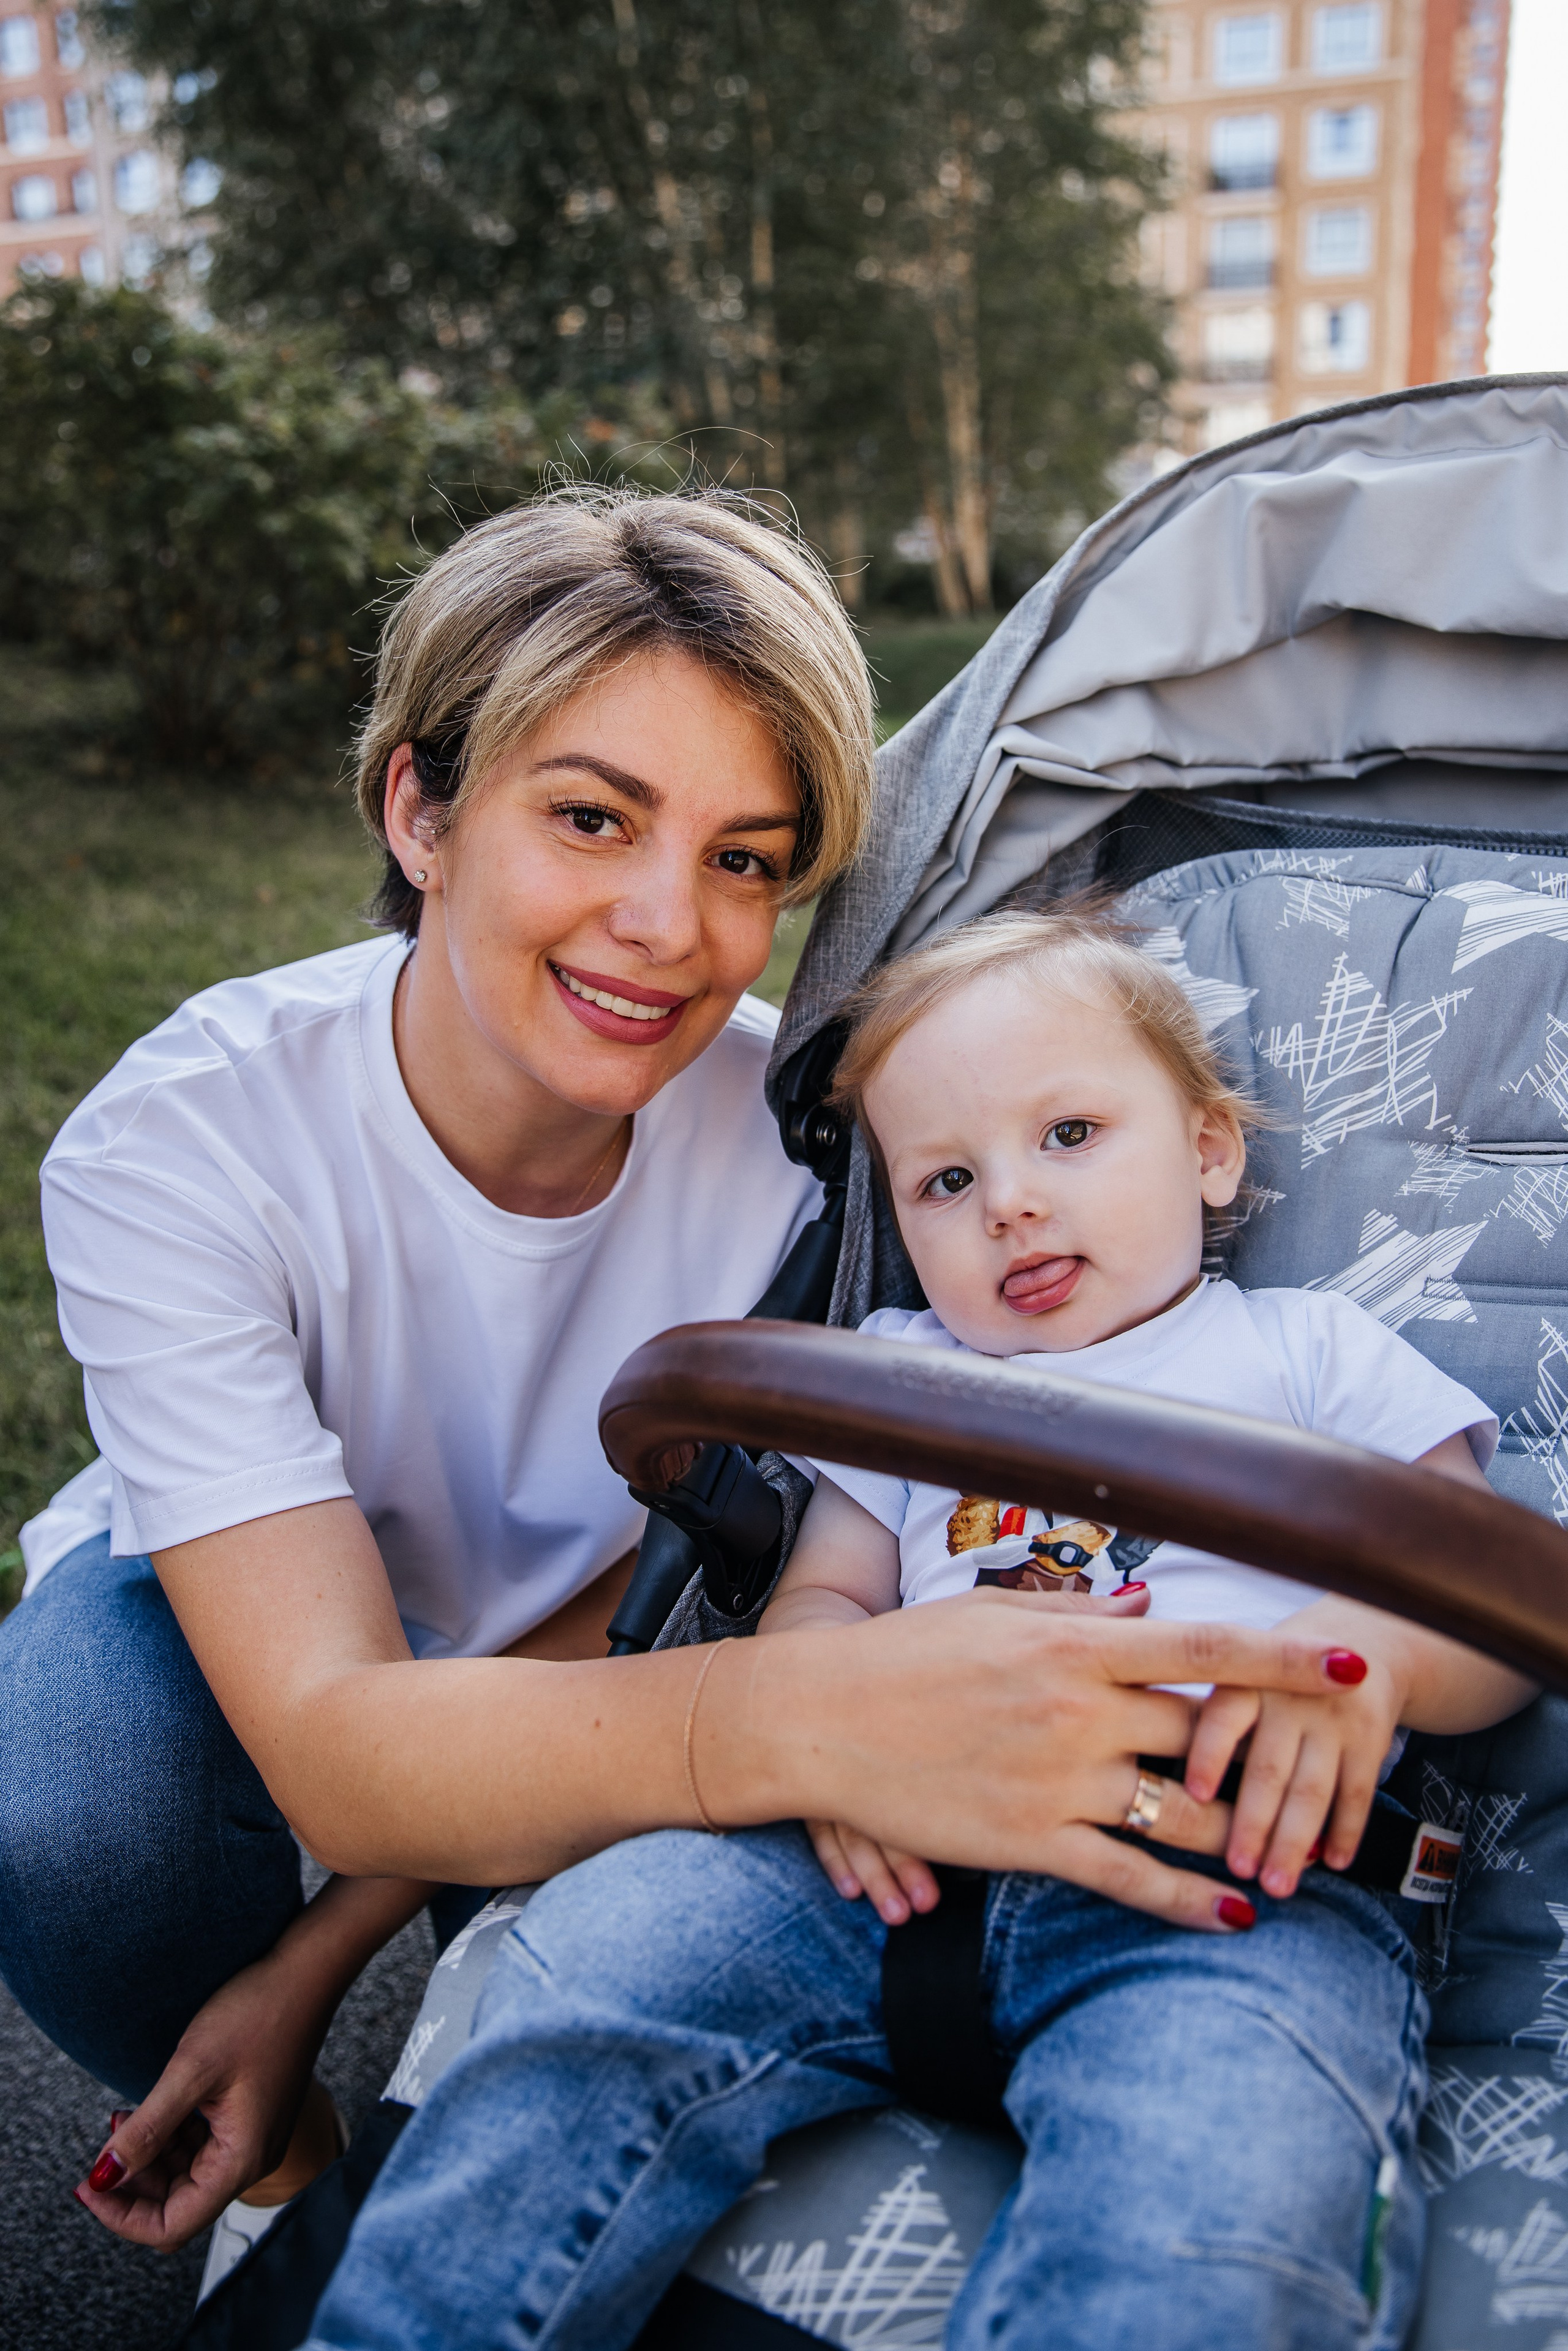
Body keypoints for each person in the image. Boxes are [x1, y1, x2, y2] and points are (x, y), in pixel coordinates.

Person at [0, 496, 1325, 2280]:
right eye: (590, 817)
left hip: (633, 1643)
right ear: (420, 811)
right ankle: (289, 2178)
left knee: (578, 1928)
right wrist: (810, 1713)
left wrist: (316, 1956)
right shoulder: (184, 1144)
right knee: (65, 1799)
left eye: (744, 859)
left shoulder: (821, 1154)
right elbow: (337, 1734)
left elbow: (677, 1600)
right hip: (262, 1629)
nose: (664, 925)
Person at [302, 910, 1532, 2351]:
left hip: (1218, 1879)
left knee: (1208, 2201)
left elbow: (1489, 1602)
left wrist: (1368, 1662)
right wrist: (818, 1722)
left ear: (1207, 1150)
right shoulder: (899, 1376)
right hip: (872, 1849)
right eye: (945, 1178)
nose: (1008, 1202)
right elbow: (829, 1595)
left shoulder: (1304, 1353)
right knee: (591, 1980)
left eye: (1068, 1134)